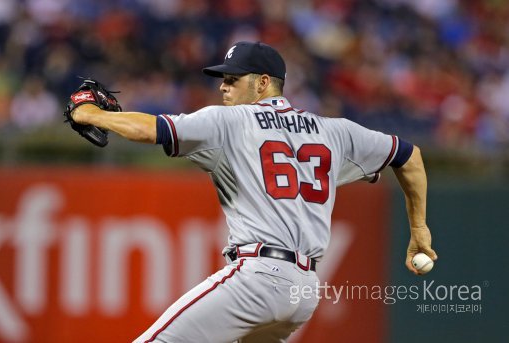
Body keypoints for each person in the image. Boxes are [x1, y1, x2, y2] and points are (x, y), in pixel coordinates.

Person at [70, 41, 437, 343]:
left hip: (258, 276)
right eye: (223, 80)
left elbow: (151, 130)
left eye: (232, 79)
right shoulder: (334, 131)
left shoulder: (229, 120)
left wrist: (91, 114)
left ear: (262, 83)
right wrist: (418, 228)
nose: (222, 87)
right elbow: (409, 157)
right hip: (303, 292)